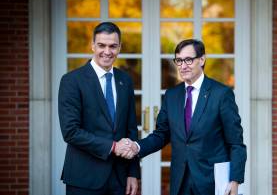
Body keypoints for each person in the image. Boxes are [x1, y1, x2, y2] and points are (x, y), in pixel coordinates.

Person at [134, 39, 247, 195]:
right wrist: (137, 147)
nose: (183, 65)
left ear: (202, 59)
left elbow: (236, 143)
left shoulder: (221, 94)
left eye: (188, 59)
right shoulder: (171, 95)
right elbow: (161, 135)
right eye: (179, 60)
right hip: (180, 182)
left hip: (211, 182)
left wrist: (235, 180)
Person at [58, 22, 140, 195]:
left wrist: (133, 173)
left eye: (113, 46)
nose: (107, 51)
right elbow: (70, 131)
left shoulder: (125, 80)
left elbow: (131, 129)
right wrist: (113, 147)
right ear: (92, 45)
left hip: (119, 178)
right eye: (102, 45)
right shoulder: (72, 81)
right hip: (84, 178)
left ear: (120, 47)